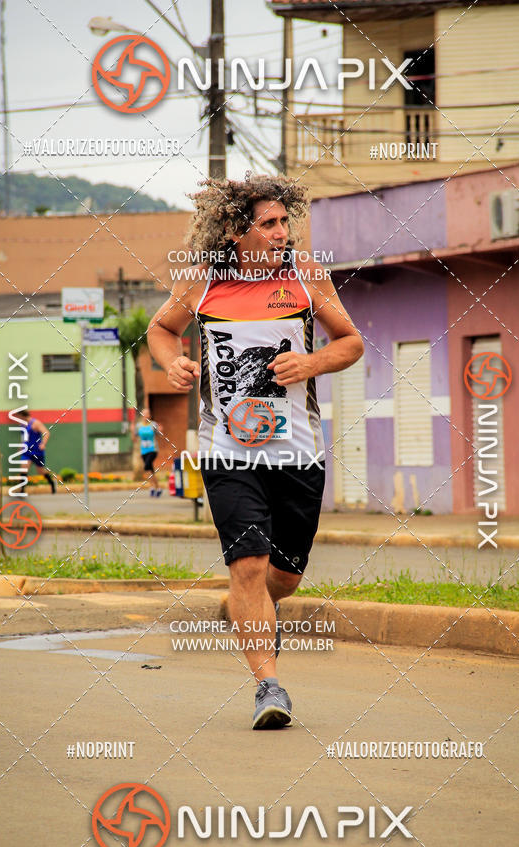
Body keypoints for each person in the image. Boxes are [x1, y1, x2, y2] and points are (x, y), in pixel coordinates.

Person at [148, 174, 364, 730]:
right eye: (268, 223)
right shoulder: (203, 281)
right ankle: (269, 685)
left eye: (285, 221)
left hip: (298, 453)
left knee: (282, 578)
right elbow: (161, 330)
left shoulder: (306, 276)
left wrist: (311, 362)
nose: (281, 231)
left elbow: (351, 342)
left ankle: (254, 607)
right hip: (228, 450)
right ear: (234, 231)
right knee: (247, 565)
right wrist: (172, 362)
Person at [16, 409, 56, 493]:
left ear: (22, 415)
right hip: (27, 451)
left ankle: (52, 483)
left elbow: (46, 433)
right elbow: (24, 438)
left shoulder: (35, 423)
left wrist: (43, 444)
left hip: (37, 451)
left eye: (18, 417)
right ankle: (22, 490)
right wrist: (21, 446)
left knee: (40, 471)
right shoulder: (22, 425)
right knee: (23, 468)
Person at [132, 408, 163, 497]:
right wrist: (132, 430)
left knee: (147, 466)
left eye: (147, 414)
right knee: (149, 469)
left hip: (153, 449)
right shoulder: (138, 426)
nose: (145, 416)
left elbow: (160, 435)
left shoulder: (153, 424)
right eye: (144, 414)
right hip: (143, 451)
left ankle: (154, 487)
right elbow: (134, 439)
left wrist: (160, 431)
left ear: (150, 415)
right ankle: (156, 487)